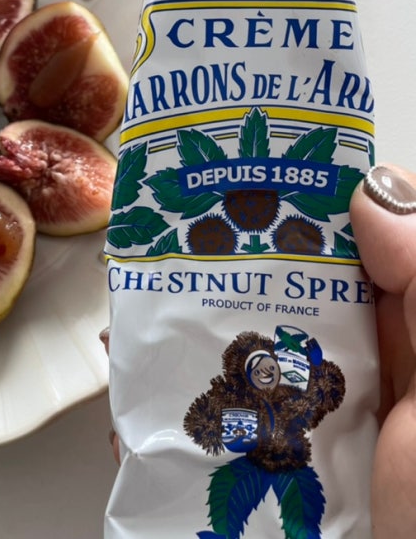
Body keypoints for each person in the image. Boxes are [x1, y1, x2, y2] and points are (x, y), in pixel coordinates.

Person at [101, 164, 416, 539]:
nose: (265, 371)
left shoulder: (296, 388)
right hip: (247, 461)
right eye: (257, 368)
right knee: (225, 493)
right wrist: (215, 425)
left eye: (268, 364)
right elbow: (199, 421)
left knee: (306, 502)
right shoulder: (230, 396)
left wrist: (317, 365)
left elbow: (329, 394)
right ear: (243, 373)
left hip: (294, 461)